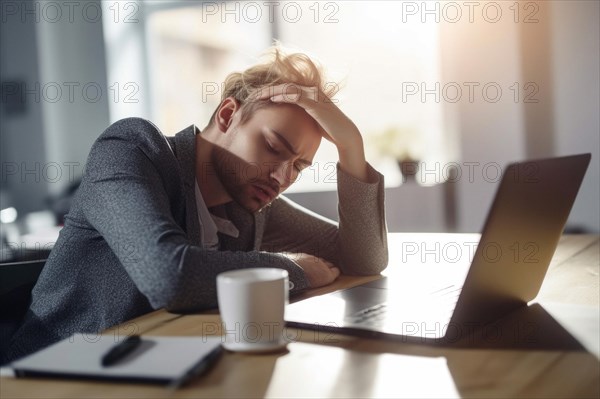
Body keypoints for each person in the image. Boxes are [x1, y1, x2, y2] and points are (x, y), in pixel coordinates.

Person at [4, 45, 388, 363]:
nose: (281, 177)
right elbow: (171, 278)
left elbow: (362, 259)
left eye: (299, 167)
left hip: (160, 369)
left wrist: (351, 148)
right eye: (273, 148)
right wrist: (293, 270)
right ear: (227, 115)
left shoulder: (251, 206)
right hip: (50, 373)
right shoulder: (131, 148)